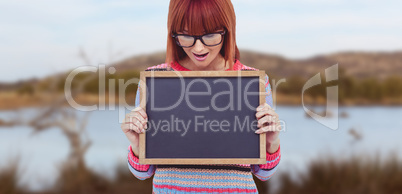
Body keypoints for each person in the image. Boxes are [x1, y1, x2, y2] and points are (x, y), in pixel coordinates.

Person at [120, 0, 281, 193]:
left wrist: (272, 141)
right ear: (174, 33)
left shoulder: (254, 82)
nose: (198, 48)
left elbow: (264, 173)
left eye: (210, 35)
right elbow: (142, 173)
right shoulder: (154, 81)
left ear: (227, 30)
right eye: (186, 36)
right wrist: (138, 145)